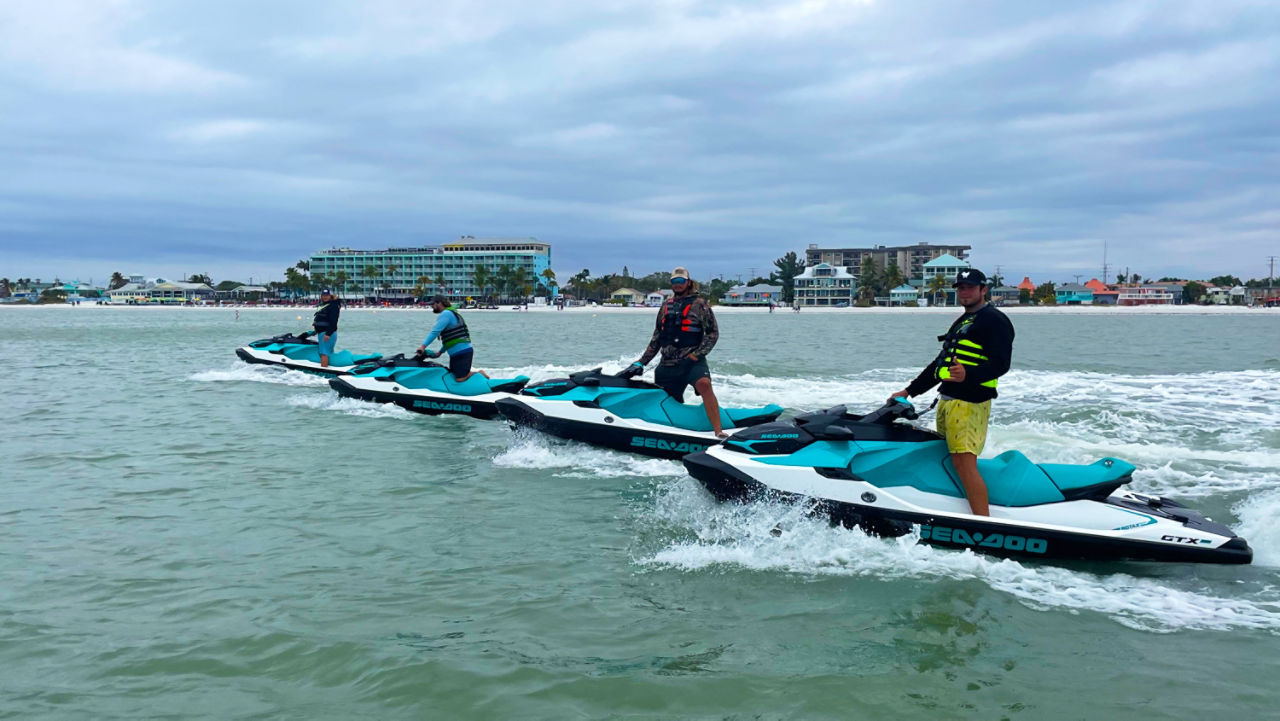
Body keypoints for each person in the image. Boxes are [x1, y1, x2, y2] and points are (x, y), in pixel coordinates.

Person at [889, 268, 1014, 516]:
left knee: (964, 464)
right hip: (949, 401)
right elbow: (940, 364)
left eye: (970, 287)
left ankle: (983, 524)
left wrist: (970, 375)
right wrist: (909, 391)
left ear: (983, 290)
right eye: (961, 288)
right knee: (947, 457)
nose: (965, 292)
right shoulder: (965, 320)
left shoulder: (994, 319)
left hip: (970, 403)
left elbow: (1002, 364)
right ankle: (953, 508)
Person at [620, 267, 727, 437]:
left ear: (688, 282)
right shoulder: (665, 306)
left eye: (681, 281)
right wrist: (641, 362)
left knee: (704, 384)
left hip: (692, 361)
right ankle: (673, 431)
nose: (678, 285)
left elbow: (713, 333)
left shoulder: (700, 304)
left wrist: (696, 355)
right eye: (674, 282)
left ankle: (718, 431)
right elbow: (656, 338)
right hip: (668, 364)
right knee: (669, 400)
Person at [419, 295, 487, 381]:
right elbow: (451, 339)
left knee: (460, 379)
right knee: (453, 377)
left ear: (439, 303)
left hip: (462, 352)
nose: (431, 306)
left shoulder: (446, 314)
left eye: (433, 304)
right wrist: (440, 352)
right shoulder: (450, 313)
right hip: (457, 353)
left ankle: (479, 374)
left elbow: (435, 332)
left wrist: (423, 346)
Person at [312, 288, 341, 368]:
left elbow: (333, 321)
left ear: (330, 296)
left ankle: (324, 371)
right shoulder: (325, 305)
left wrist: (328, 334)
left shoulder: (333, 305)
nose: (325, 297)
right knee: (325, 352)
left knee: (324, 353)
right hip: (322, 333)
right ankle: (328, 369)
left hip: (327, 333)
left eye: (327, 295)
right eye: (323, 295)